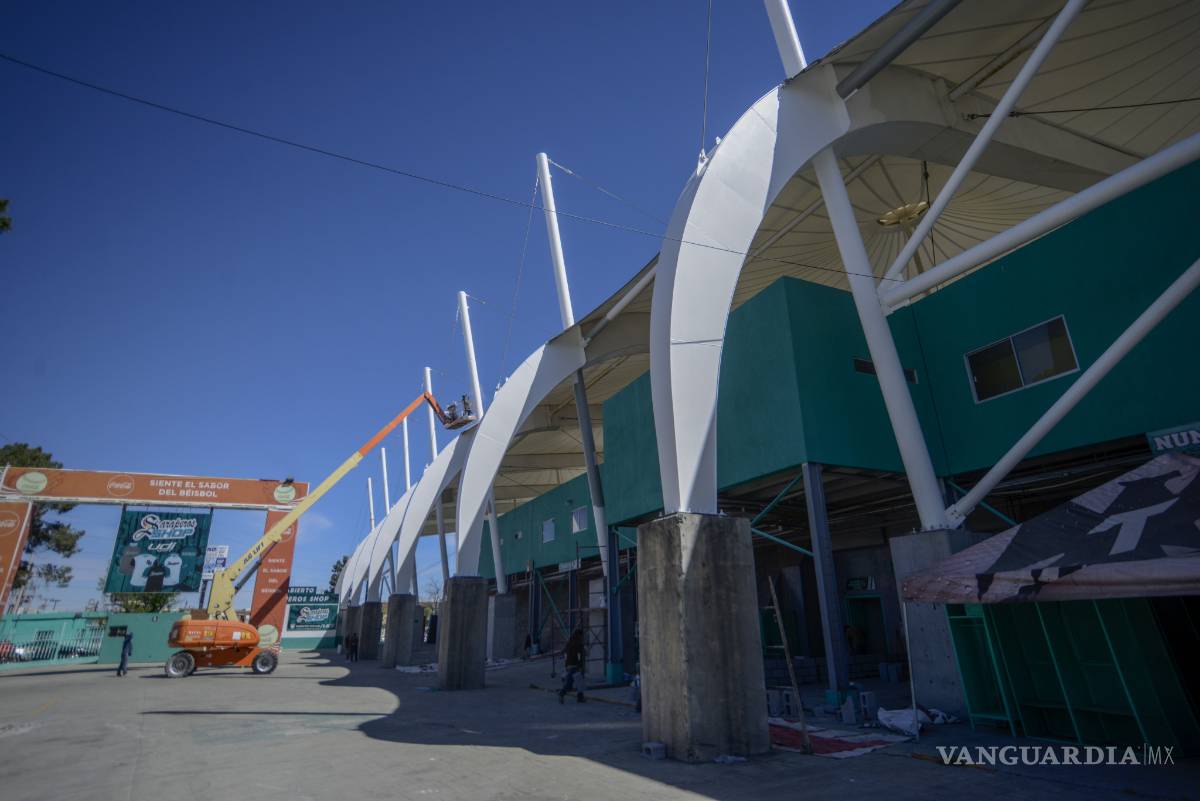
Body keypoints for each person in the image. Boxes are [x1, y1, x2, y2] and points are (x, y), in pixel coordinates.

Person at [557, 627, 586, 704]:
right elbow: (579, 656)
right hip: (575, 666)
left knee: (570, 683)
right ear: (580, 636)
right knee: (579, 682)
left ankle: (563, 694)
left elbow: (566, 655)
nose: (583, 637)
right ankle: (579, 697)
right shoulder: (579, 644)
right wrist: (581, 666)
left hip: (569, 665)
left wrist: (566, 665)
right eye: (582, 636)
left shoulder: (569, 643)